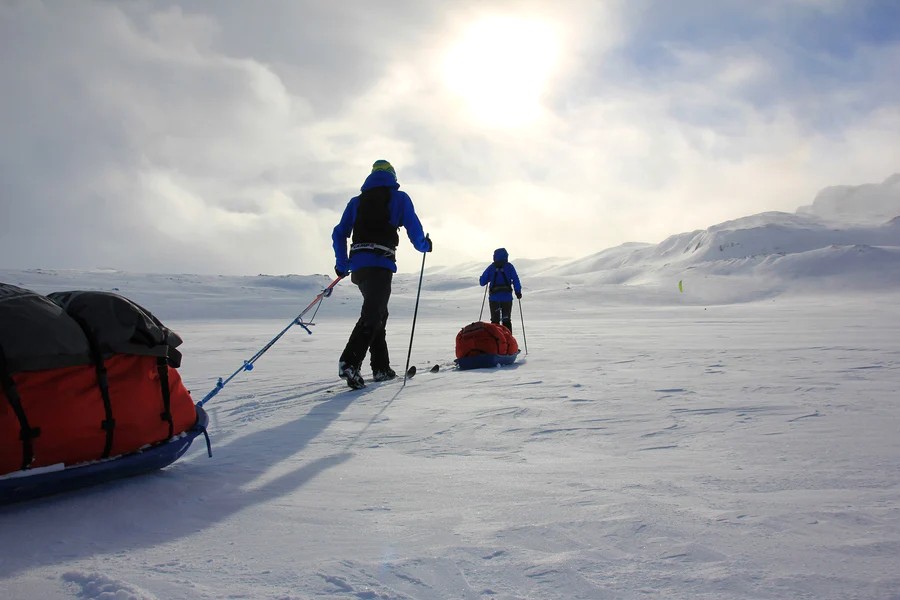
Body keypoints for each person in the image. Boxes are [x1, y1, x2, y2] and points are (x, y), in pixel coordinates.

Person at [332, 160, 432, 389]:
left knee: (378, 313)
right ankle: (350, 362)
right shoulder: (400, 198)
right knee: (373, 314)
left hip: (359, 267)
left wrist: (342, 263)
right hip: (380, 262)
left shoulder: (356, 202)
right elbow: (413, 227)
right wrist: (424, 245)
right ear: (392, 176)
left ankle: (381, 368)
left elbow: (339, 233)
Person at [479, 247, 522, 332]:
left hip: (494, 299)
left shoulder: (491, 267)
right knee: (506, 320)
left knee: (495, 322)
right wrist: (518, 292)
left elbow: (482, 282)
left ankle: (496, 339)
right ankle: (508, 338)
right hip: (507, 298)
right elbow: (515, 279)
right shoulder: (509, 267)